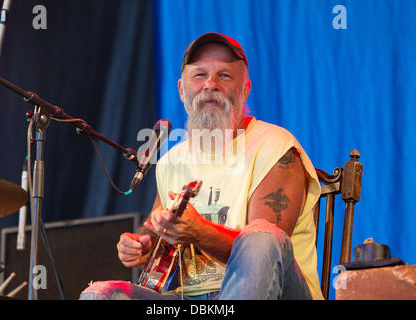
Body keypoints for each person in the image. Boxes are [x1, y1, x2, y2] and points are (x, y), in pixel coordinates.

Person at [80, 32, 324, 300]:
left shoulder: (276, 147)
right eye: (199, 75)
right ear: (182, 90)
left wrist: (201, 233)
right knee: (100, 294)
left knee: (262, 237)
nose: (211, 84)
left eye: (225, 76)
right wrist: (140, 246)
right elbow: (155, 233)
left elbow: (263, 254)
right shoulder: (171, 161)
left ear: (245, 90)